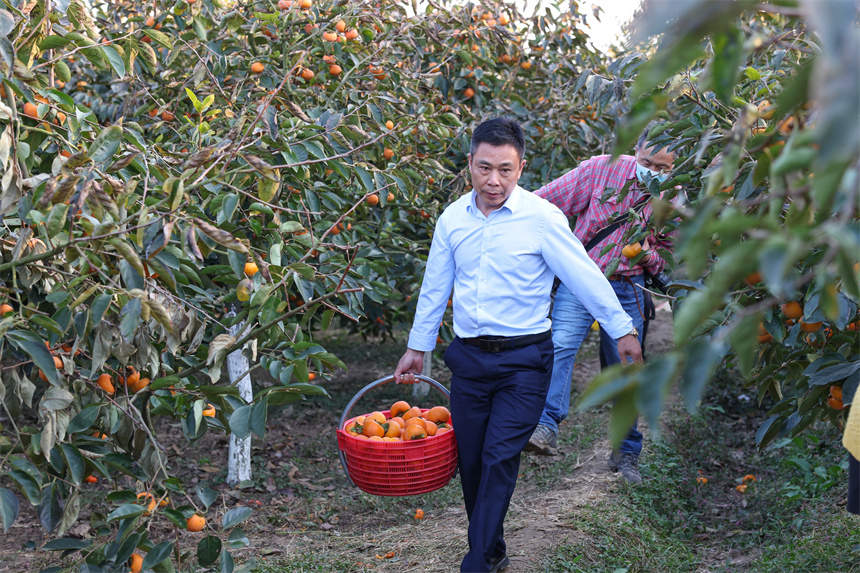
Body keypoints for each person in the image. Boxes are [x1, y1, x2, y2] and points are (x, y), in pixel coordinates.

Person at [393, 117, 642, 573]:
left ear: (521, 168)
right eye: (484, 168)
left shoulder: (542, 218)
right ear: (469, 163)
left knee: (499, 457)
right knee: (471, 464)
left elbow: (584, 275)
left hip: (524, 361)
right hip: (469, 359)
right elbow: (435, 287)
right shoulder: (452, 220)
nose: (493, 180)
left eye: (505, 170)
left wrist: (621, 328)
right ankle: (493, 550)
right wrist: (417, 346)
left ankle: (475, 562)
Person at [524, 125, 677, 485]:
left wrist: (646, 253)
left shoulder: (674, 196)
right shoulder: (600, 170)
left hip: (628, 286)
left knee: (626, 367)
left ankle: (625, 451)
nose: (652, 172)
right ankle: (545, 425)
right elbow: (543, 204)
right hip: (581, 279)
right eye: (646, 162)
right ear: (634, 150)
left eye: (663, 168)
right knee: (560, 343)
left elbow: (667, 260)